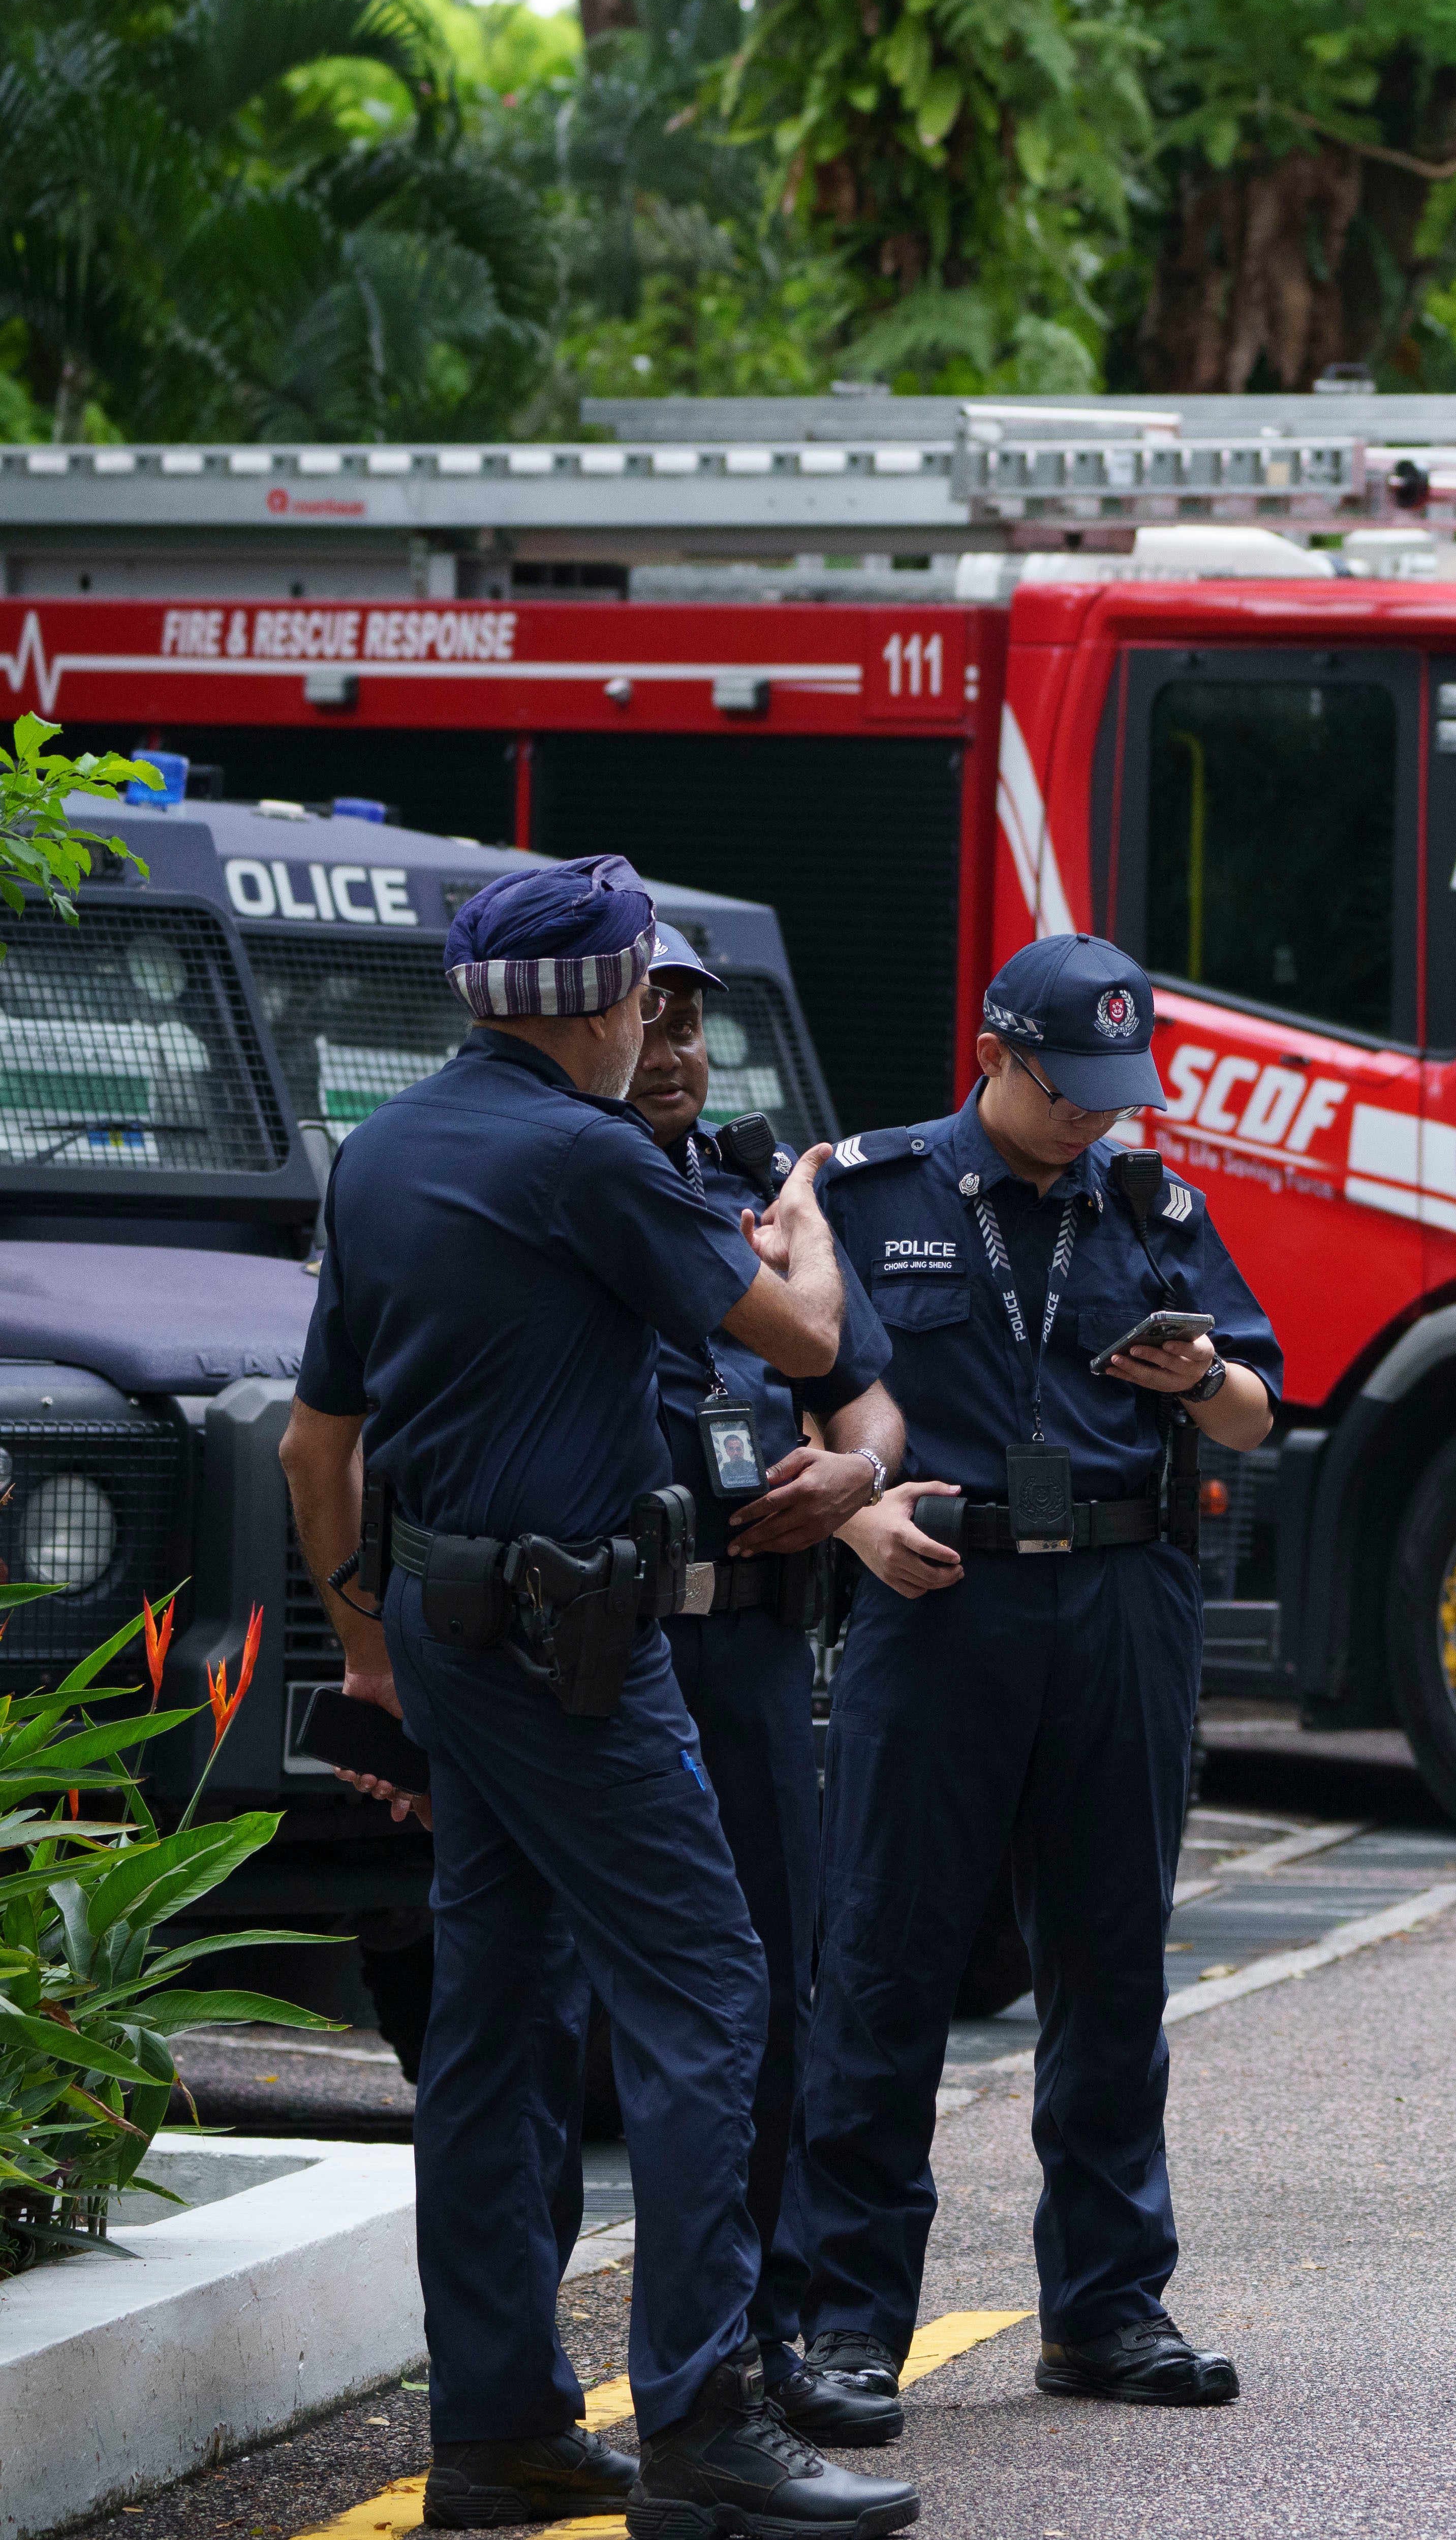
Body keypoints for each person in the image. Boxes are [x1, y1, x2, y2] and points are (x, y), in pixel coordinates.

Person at [276, 857, 916, 2538]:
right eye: (650, 988)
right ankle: (702, 2425)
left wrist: (369, 1655)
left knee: (493, 2023)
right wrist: (807, 1239)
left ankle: (500, 2434)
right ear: (616, 998)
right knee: (708, 1997)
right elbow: (796, 1342)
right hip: (578, 1649)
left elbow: (312, 1444)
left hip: (446, 1630)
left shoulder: (385, 1151)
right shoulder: (590, 1158)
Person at [778, 933, 1282, 2423]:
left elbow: (1259, 1415)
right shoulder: (865, 1194)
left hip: (1124, 1597)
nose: (1095, 1120)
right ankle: (851, 2318)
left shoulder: (1152, 1204)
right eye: (1068, 1090)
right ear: (992, 1056)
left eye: (1117, 1094)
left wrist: (1197, 1380)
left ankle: (1109, 2313)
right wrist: (858, 1512)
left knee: (1113, 1958)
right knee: (885, 1959)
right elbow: (769, 1384)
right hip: (940, 1596)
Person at [622, 926, 915, 2443]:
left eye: (691, 1022)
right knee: (561, 2022)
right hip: (594, 1646)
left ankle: (767, 2333)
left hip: (741, 1642)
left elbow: (862, 1392)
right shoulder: (559, 1178)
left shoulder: (753, 1189)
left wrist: (852, 1474)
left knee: (773, 1996)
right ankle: (537, 2385)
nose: (674, 1050)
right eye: (648, 1017)